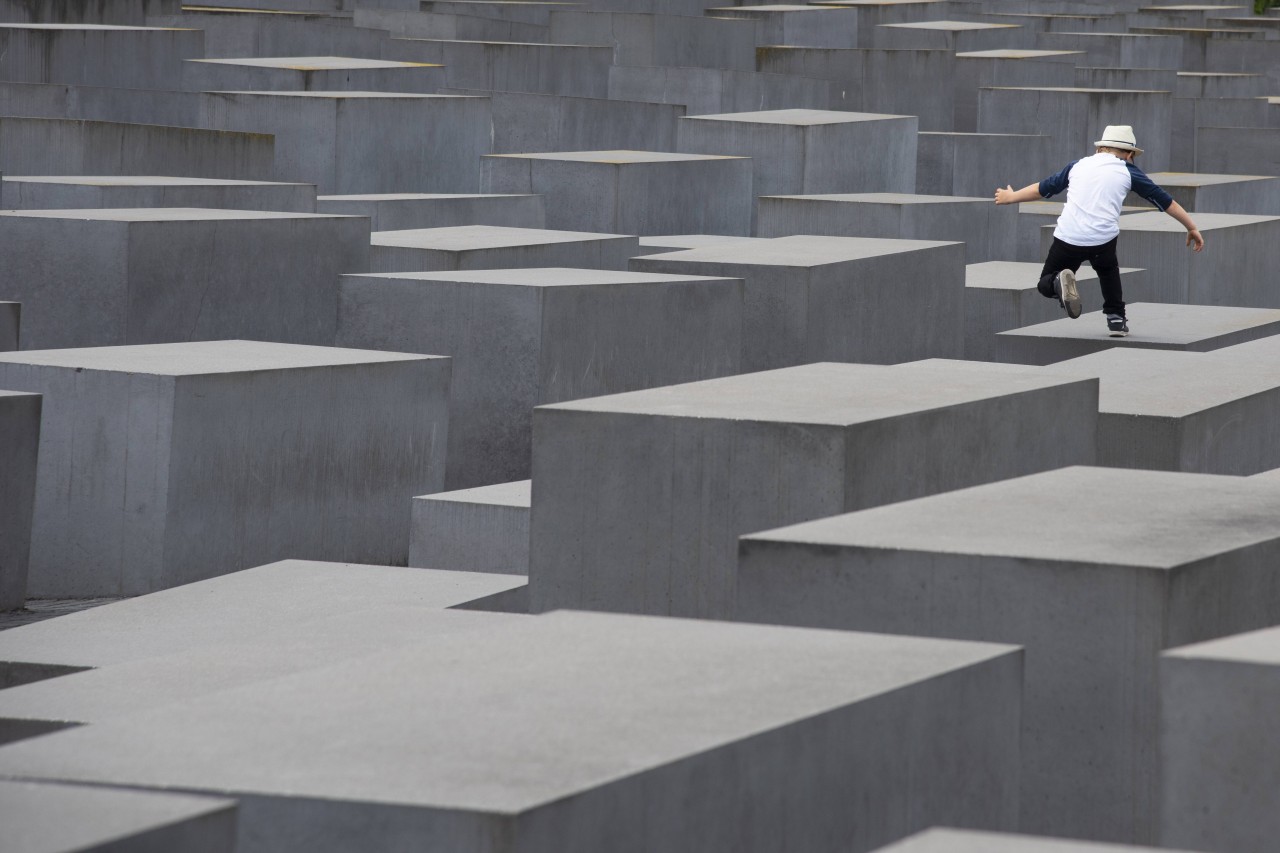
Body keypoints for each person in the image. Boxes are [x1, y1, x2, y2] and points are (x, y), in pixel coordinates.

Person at [994, 125, 1205, 337]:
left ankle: (1057, 281)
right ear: (1129, 154)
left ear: (1100, 148)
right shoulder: (1128, 170)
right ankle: (1116, 319)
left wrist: (1010, 197)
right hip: (1102, 241)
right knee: (1108, 272)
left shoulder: (1077, 165)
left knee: (1043, 284)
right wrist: (1191, 226)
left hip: (1068, 238)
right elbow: (1164, 201)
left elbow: (1043, 188)